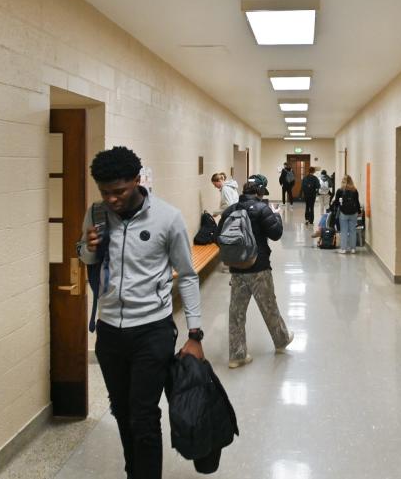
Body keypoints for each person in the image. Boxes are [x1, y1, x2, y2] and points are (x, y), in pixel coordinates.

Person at [77, 146, 204, 479]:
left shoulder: (167, 217)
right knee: (121, 411)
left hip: (153, 330)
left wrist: (195, 333)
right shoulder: (96, 213)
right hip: (109, 331)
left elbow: (187, 276)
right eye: (105, 192)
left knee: (144, 416)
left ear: (137, 180)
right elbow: (85, 258)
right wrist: (88, 249)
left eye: (119, 191)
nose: (112, 199)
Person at [216, 178, 293, 368]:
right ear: (258, 193)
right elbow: (276, 234)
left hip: (237, 269)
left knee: (236, 313)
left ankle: (237, 355)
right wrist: (276, 215)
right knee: (269, 307)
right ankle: (281, 341)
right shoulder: (262, 209)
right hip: (259, 268)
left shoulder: (230, 211)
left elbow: (220, 238)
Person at [333, 175, 361, 254]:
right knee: (353, 231)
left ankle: (343, 249)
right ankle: (353, 249)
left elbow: (336, 202)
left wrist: (334, 208)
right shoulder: (355, 190)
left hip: (343, 213)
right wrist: (359, 212)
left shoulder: (340, 190)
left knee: (344, 231)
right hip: (353, 213)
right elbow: (357, 202)